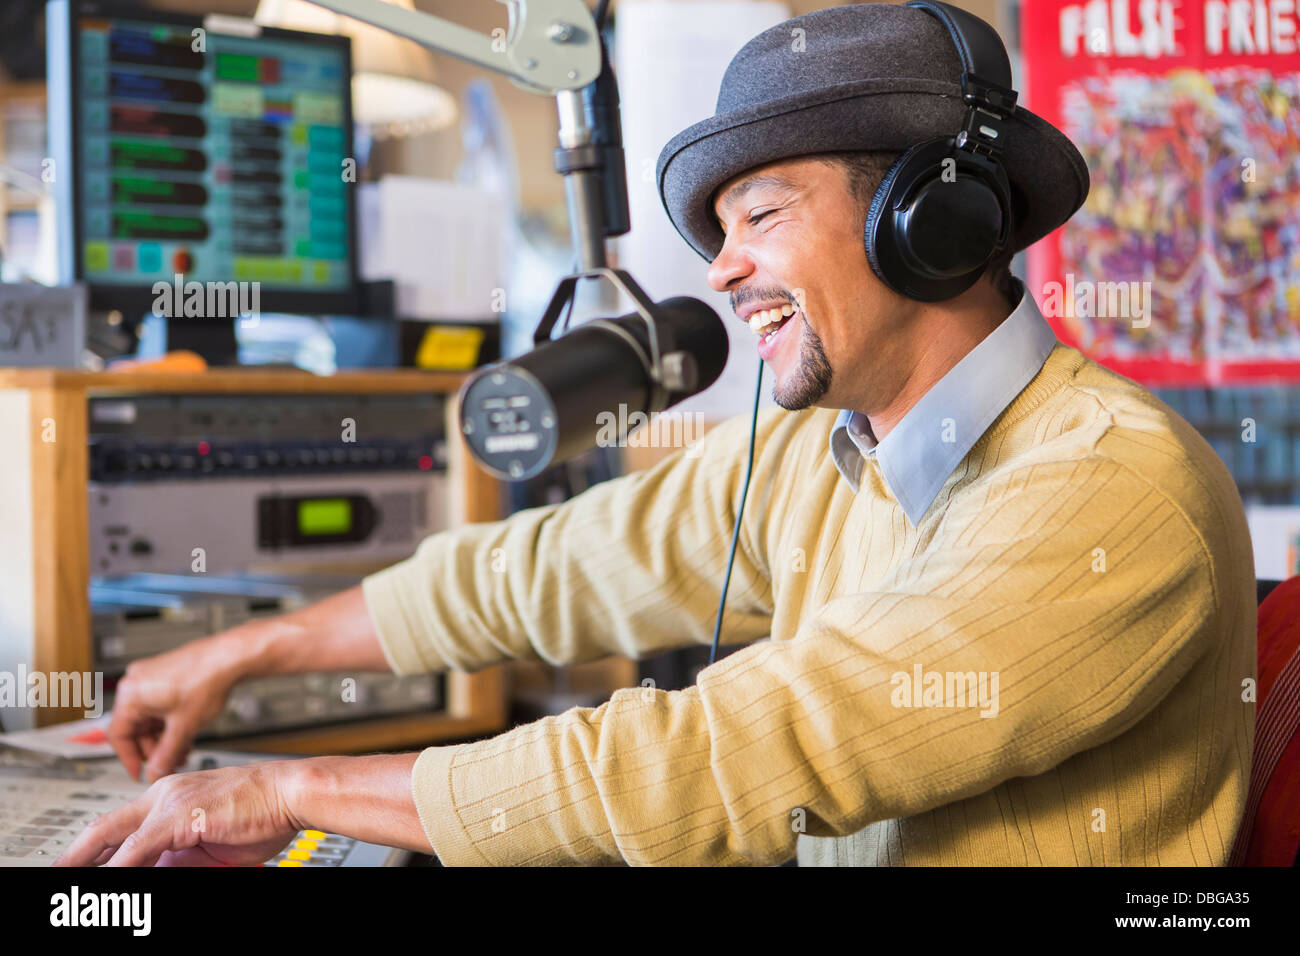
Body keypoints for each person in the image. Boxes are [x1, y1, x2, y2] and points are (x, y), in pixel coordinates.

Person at [57, 2, 1255, 868]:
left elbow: (739, 748)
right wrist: (237, 655)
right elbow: (543, 570)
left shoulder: (1106, 490)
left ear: (932, 223)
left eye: (761, 214)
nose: (724, 269)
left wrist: (287, 787)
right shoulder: (820, 451)